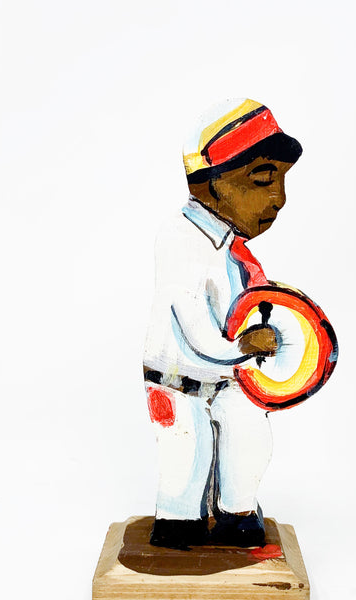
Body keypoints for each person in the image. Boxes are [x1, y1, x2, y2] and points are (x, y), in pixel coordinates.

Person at [143, 98, 302, 549]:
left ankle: (237, 513)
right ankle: (178, 524)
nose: (280, 198)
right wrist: (241, 348)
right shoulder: (180, 239)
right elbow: (193, 324)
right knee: (185, 455)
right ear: (209, 185)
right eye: (263, 179)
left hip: (233, 378)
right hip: (179, 381)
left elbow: (253, 305)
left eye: (282, 180)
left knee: (249, 443)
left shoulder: (232, 248)